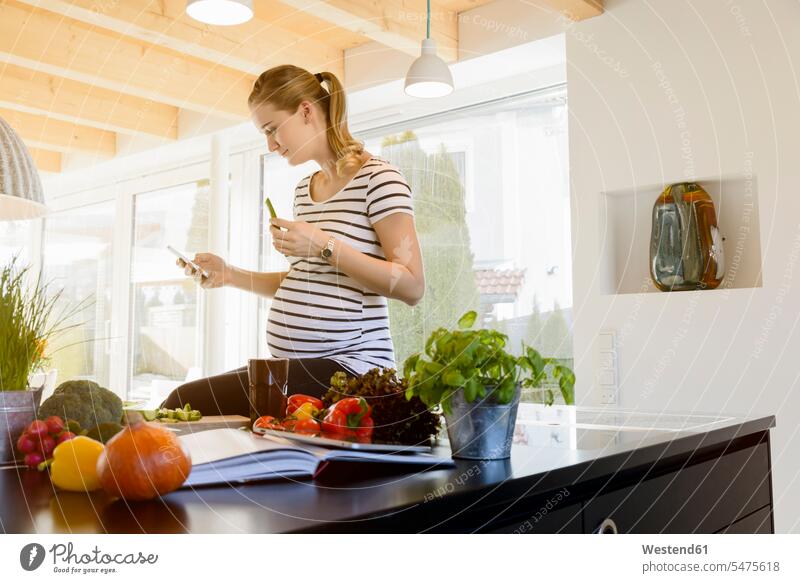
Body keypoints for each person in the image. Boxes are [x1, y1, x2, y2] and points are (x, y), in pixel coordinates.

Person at [161, 65, 425, 416]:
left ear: (306, 111)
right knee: (186, 399)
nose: (270, 145)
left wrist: (324, 245)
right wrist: (230, 275)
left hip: (352, 370)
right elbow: (307, 282)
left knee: (185, 403)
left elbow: (411, 285)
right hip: (295, 365)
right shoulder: (305, 191)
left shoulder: (380, 179)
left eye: (272, 130)